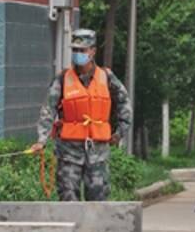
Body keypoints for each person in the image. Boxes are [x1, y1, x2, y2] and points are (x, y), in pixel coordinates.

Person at [29, 29, 132, 201]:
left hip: (97, 151)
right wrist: (41, 140)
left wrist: (120, 131)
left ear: (93, 51)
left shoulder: (106, 76)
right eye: (75, 50)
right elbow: (49, 109)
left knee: (98, 200)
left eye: (82, 50)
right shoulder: (63, 79)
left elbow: (124, 102)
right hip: (69, 152)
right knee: (68, 197)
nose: (78, 54)